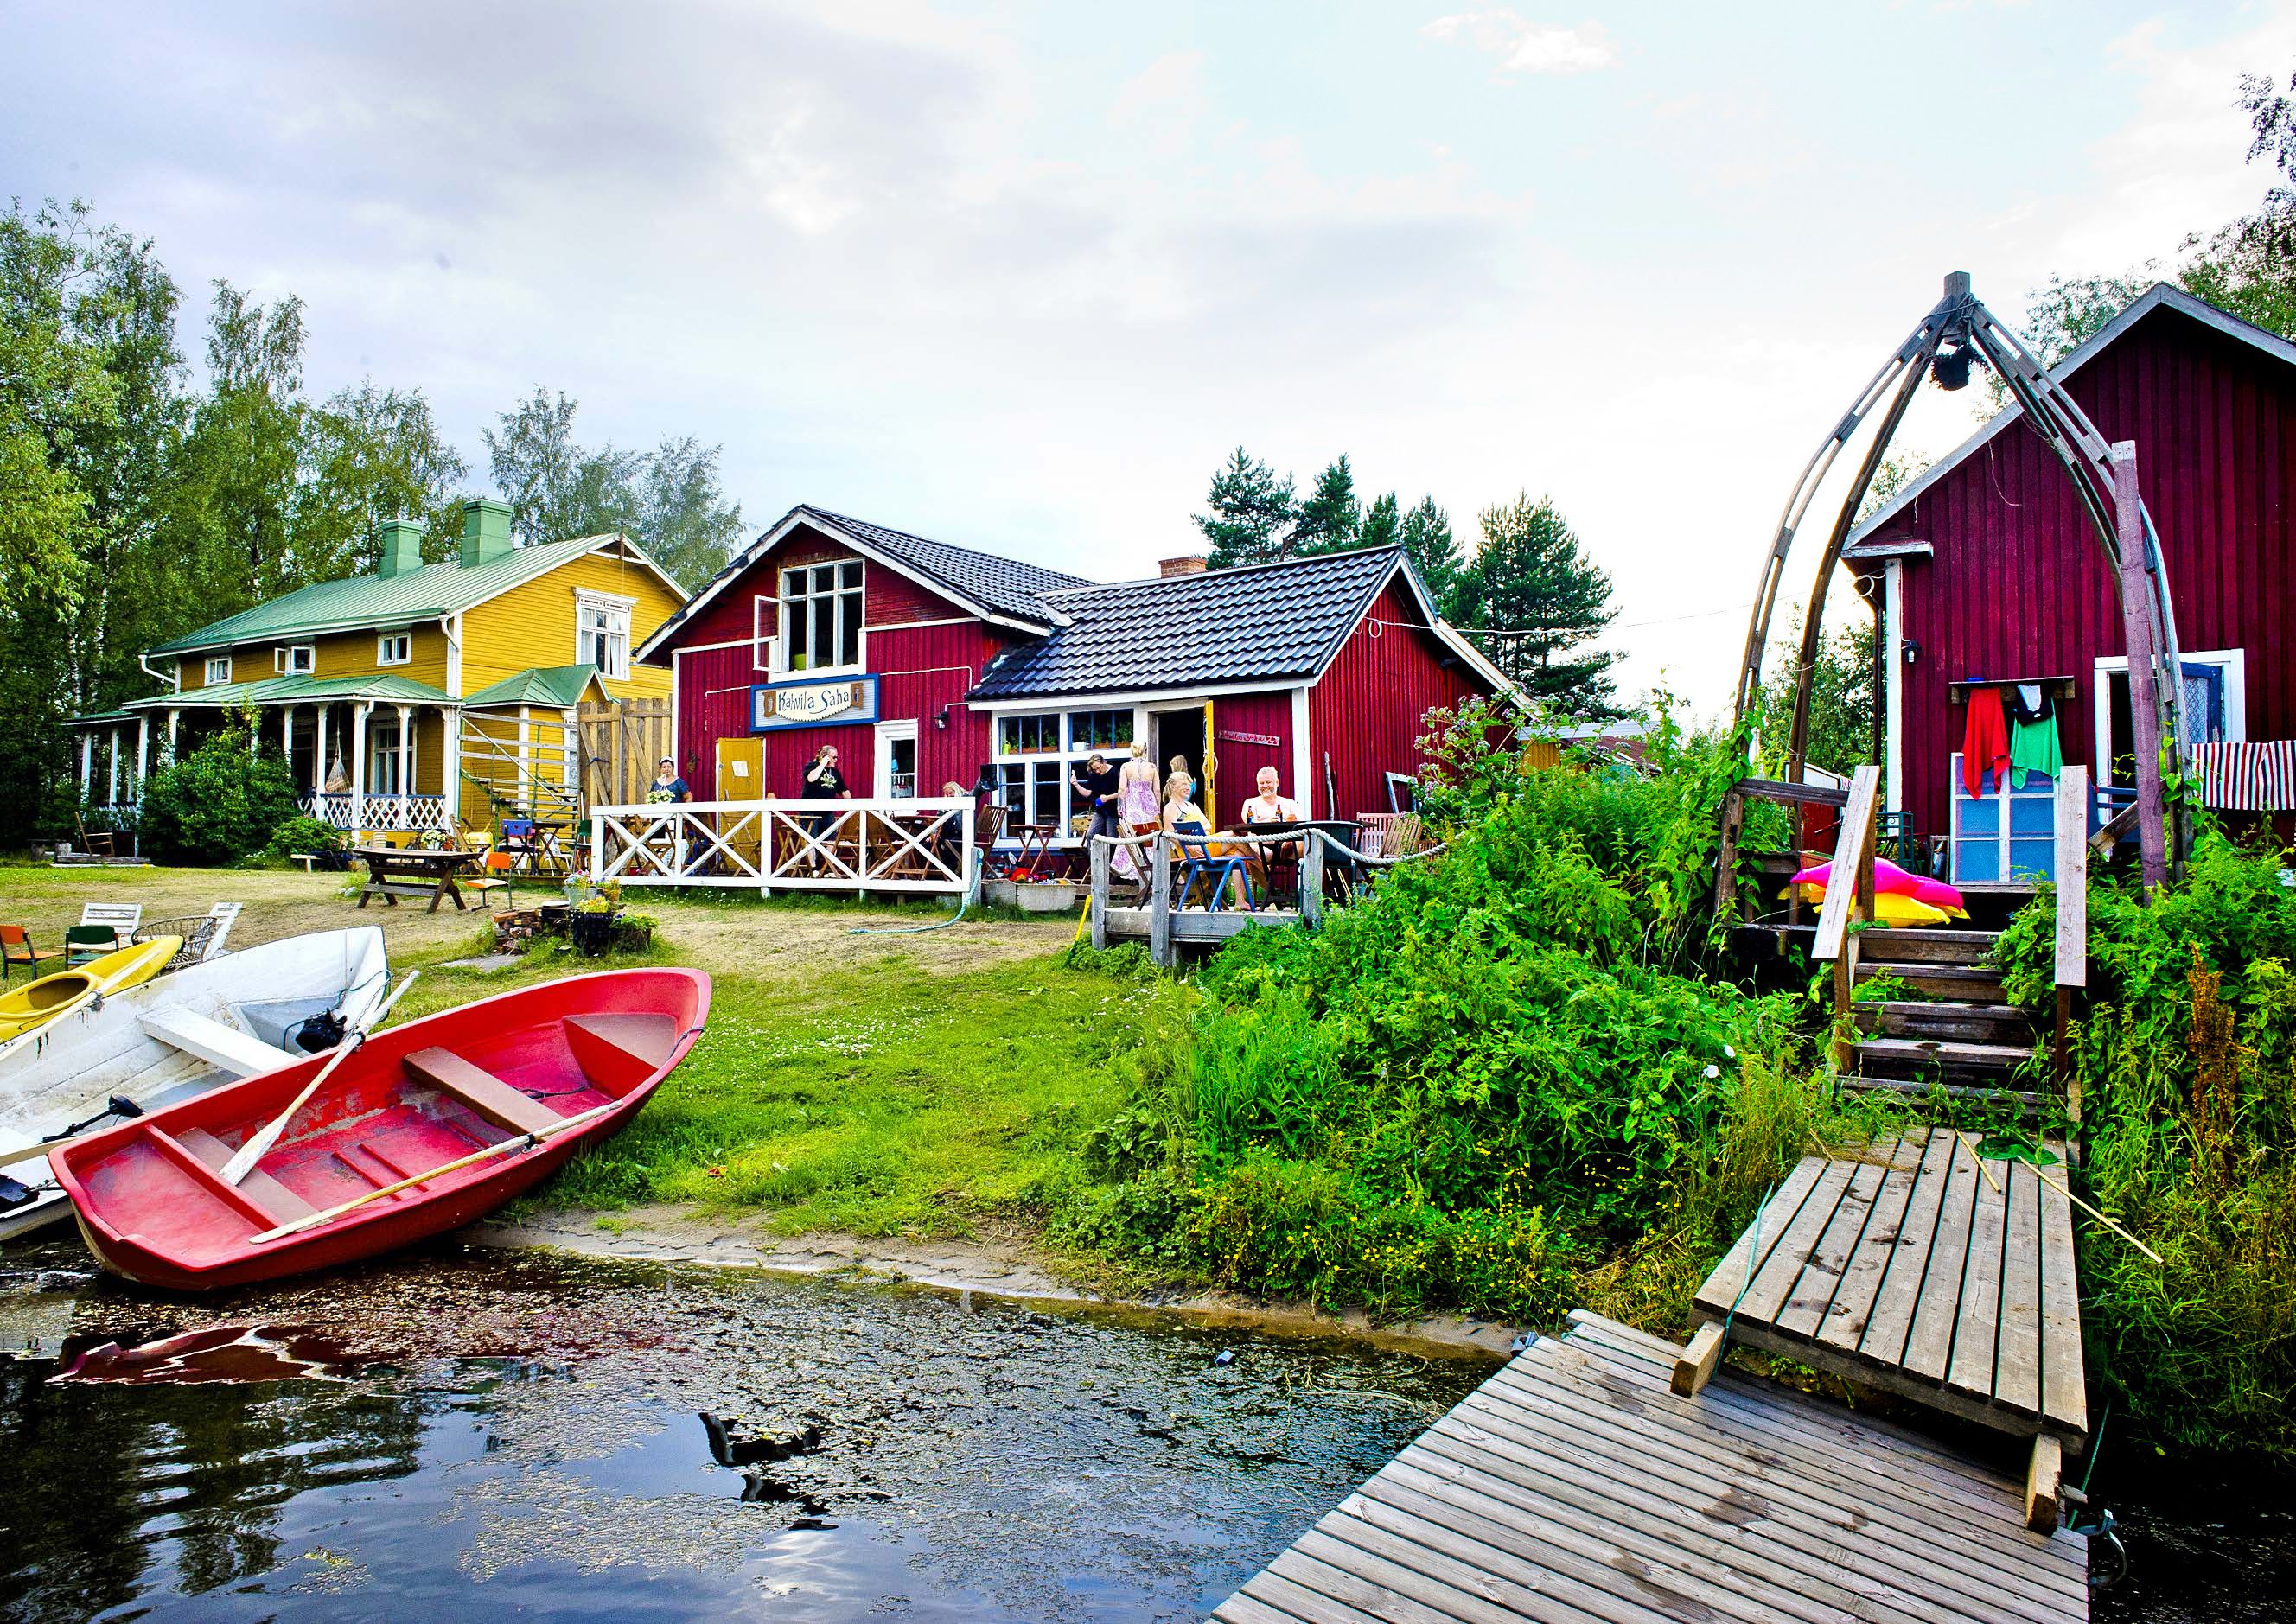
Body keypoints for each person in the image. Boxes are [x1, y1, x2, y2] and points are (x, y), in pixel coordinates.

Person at [1111, 742, 1160, 884]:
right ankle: (1152, 868)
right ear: (1144, 751)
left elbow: (1122, 789)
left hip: (1132, 805)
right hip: (1148, 804)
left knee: (1129, 837)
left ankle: (1126, 872)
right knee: (1150, 835)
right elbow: (1157, 790)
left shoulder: (1126, 767)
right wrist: (1158, 809)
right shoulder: (1152, 767)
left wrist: (1121, 807)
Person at [799, 744, 845, 868]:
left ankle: (828, 867)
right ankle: (813, 868)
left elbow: (844, 790)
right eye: (834, 757)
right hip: (810, 811)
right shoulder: (812, 767)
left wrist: (853, 806)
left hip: (827, 811)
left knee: (831, 839)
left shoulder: (835, 772)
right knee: (811, 839)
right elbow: (811, 779)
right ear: (825, 756)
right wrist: (822, 764)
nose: (836, 760)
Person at [1072, 753, 1122, 853]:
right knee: (1091, 835)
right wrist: (1076, 785)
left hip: (1113, 811)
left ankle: (1111, 866)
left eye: (1099, 768)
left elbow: (1121, 792)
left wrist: (1107, 798)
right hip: (1100, 810)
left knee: (1111, 839)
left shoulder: (1115, 772)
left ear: (1103, 762)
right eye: (1094, 769)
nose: (1097, 771)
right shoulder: (1094, 775)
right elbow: (1089, 793)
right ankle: (1095, 863)